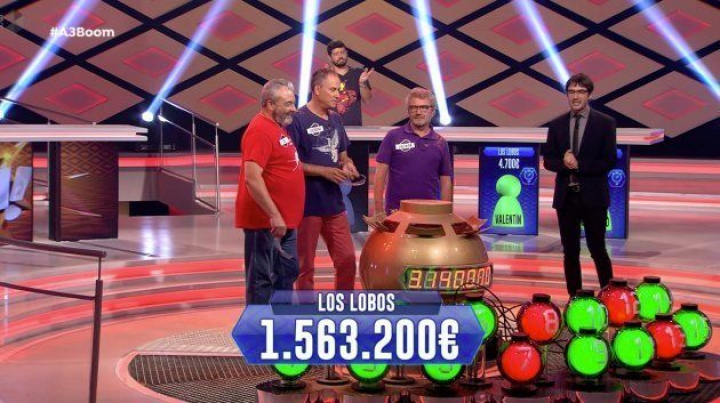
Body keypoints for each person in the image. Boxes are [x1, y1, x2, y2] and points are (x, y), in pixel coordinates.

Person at [543, 73, 617, 297]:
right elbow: (548, 161)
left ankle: (609, 297)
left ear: (589, 95)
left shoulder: (605, 123)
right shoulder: (556, 125)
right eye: (571, 92)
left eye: (580, 92)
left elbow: (608, 161)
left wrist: (579, 165)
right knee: (570, 252)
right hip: (566, 199)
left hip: (593, 197)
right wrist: (564, 164)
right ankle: (574, 299)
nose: (575, 97)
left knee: (598, 249)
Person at [286, 67, 359, 291]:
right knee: (305, 267)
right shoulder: (296, 120)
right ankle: (306, 308)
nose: (338, 95)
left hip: (334, 204)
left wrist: (347, 164)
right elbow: (290, 164)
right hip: (307, 206)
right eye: (333, 90)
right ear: (317, 89)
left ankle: (343, 305)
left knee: (347, 259)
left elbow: (342, 155)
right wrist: (323, 171)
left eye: (339, 90)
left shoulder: (336, 119)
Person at [235, 79, 304, 304]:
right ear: (270, 104)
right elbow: (252, 178)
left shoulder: (276, 128)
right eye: (288, 103)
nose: (293, 108)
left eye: (293, 102)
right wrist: (274, 215)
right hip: (265, 222)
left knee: (286, 273)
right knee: (261, 280)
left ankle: (279, 320)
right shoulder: (259, 131)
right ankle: (258, 324)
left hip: (284, 221)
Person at [365, 87, 452, 229]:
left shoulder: (441, 143)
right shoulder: (393, 136)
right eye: (414, 107)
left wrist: (446, 214)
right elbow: (380, 176)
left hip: (430, 214)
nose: (418, 112)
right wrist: (379, 210)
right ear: (408, 111)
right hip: (396, 212)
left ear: (432, 111)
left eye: (424, 107)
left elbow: (446, 181)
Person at [326, 39, 373, 126]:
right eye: (336, 54)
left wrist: (362, 84)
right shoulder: (325, 76)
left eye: (342, 52)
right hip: (331, 128)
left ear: (346, 53)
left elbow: (367, 101)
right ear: (329, 57)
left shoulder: (358, 73)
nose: (340, 56)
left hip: (355, 128)